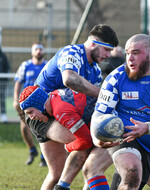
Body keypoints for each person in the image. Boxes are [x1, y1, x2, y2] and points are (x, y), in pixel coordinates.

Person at [27, 24, 119, 190]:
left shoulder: (96, 70)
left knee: (56, 173)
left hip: (63, 113)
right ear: (93, 43)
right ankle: (64, 186)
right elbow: (69, 79)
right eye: (106, 49)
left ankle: (67, 185)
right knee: (87, 142)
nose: (108, 55)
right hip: (40, 113)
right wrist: (103, 94)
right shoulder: (72, 52)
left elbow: (92, 104)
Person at [90, 34, 150, 189]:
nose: (130, 58)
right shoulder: (116, 77)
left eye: (135, 53)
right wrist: (96, 138)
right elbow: (99, 114)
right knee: (131, 172)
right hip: (123, 134)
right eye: (127, 53)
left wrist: (147, 128)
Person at [20, 86, 96, 190]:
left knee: (92, 168)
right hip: (104, 119)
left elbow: (86, 141)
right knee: (91, 169)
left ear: (38, 104)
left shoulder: (60, 110)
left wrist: (68, 147)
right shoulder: (55, 96)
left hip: (109, 122)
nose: (31, 117)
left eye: (30, 112)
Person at [13, 42, 47, 166]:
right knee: (24, 128)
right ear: (32, 52)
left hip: (43, 104)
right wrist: (15, 99)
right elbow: (18, 83)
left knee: (43, 130)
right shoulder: (25, 65)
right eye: (36, 49)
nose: (38, 51)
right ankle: (32, 150)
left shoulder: (47, 66)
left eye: (40, 49)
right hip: (27, 105)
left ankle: (45, 157)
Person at [0, 45, 10, 123]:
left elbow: (7, 68)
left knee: (2, 98)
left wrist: (6, 79)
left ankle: (3, 114)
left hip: (2, 81)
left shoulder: (3, 56)